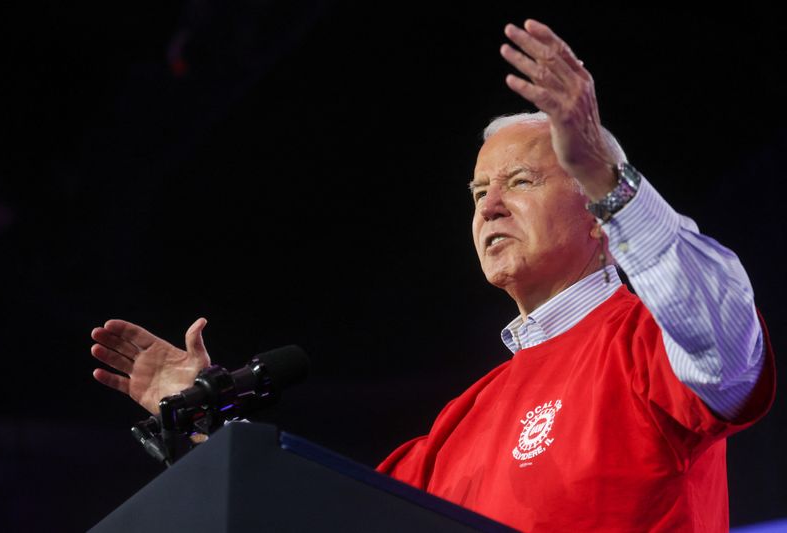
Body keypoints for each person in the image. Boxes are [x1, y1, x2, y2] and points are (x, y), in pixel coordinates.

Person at [91, 19, 774, 532]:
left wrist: (605, 172)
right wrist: (201, 438)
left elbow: (727, 341)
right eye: (478, 193)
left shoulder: (644, 342)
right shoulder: (459, 421)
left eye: (521, 180)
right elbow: (325, 519)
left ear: (596, 216)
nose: (491, 206)